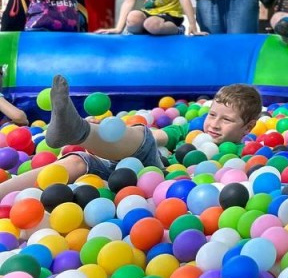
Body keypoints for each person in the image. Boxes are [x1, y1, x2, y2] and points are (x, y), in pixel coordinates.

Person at [0, 76, 262, 198]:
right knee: (77, 161)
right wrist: (103, 131)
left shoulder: (238, 156)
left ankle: (77, 130)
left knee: (143, 143)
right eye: (213, 115)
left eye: (226, 120)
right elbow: (154, 136)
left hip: (161, 183)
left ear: (247, 127)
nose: (214, 124)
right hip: (127, 170)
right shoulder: (187, 131)